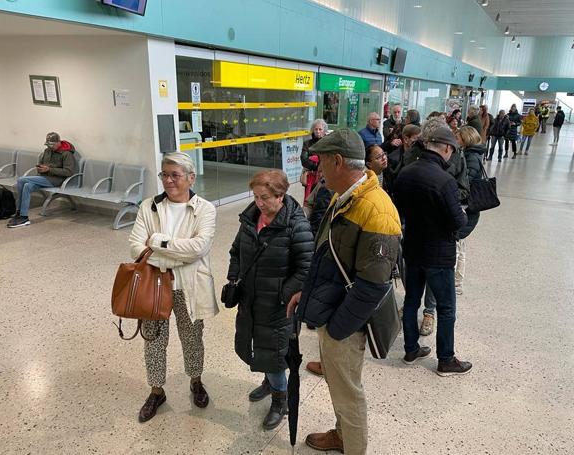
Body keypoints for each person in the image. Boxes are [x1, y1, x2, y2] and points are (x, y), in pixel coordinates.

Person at [289, 128, 401, 455]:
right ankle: (341, 435)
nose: (317, 170)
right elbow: (326, 253)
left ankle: (353, 447)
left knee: (348, 392)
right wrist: (305, 292)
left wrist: (337, 330)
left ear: (337, 161)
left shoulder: (376, 209)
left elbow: (374, 285)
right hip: (333, 311)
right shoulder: (344, 196)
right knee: (338, 387)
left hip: (346, 323)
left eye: (321, 163)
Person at [129, 152, 217, 423]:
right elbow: (135, 245)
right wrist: (176, 254)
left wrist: (157, 242)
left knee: (192, 339)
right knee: (153, 341)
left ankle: (196, 381)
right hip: (154, 286)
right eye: (164, 175)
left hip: (190, 287)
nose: (168, 180)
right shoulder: (149, 206)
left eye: (175, 175)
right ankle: (157, 391)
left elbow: (199, 247)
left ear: (191, 178)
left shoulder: (205, 209)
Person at [228, 169, 314, 430]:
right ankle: (269, 382)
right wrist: (234, 278)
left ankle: (280, 400)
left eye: (265, 197)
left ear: (281, 195)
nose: (259, 203)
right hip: (251, 300)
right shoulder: (251, 218)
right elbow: (235, 251)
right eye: (255, 196)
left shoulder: (296, 225)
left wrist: (282, 293)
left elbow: (306, 268)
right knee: (257, 345)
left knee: (275, 354)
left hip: (278, 306)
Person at [393, 124, 471, 376]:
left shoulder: (405, 172)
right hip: (439, 254)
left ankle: (410, 349)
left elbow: (399, 210)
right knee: (446, 308)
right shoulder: (445, 180)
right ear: (447, 149)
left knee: (411, 301)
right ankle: (446, 359)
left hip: (413, 248)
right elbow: (458, 222)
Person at [8, 132, 76, 228]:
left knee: (21, 180)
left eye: (52, 145)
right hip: (43, 177)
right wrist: (41, 168)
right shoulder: (47, 151)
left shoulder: (67, 154)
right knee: (27, 186)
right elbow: (42, 163)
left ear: (58, 142)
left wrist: (49, 169)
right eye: (48, 144)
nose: (50, 147)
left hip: (56, 180)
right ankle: (23, 217)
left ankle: (18, 212)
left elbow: (69, 172)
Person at [455, 126, 487, 294]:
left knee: (458, 248)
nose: (456, 140)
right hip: (469, 207)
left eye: (458, 137)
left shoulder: (470, 157)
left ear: (465, 139)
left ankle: (457, 284)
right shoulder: (473, 154)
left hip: (467, 207)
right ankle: (457, 283)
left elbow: (465, 182)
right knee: (461, 247)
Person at [301, 119, 328, 201]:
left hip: (324, 176)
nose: (318, 131)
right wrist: (317, 164)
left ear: (324, 131)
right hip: (310, 177)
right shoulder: (307, 143)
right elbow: (304, 160)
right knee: (309, 198)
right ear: (313, 130)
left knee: (321, 198)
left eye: (320, 129)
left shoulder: (327, 144)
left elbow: (328, 159)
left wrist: (313, 159)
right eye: (316, 129)